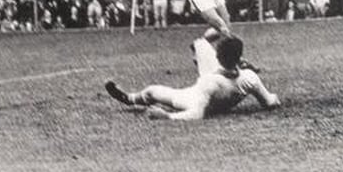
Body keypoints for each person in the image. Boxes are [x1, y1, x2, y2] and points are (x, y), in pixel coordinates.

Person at [105, 35, 280, 120]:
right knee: (201, 44)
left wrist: (166, 116)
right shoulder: (250, 77)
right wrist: (274, 98)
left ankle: (129, 99)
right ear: (239, 57)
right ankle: (199, 48)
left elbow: (197, 113)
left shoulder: (209, 82)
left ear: (218, 57)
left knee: (151, 91)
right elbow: (270, 102)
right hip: (224, 86)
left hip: (194, 96)